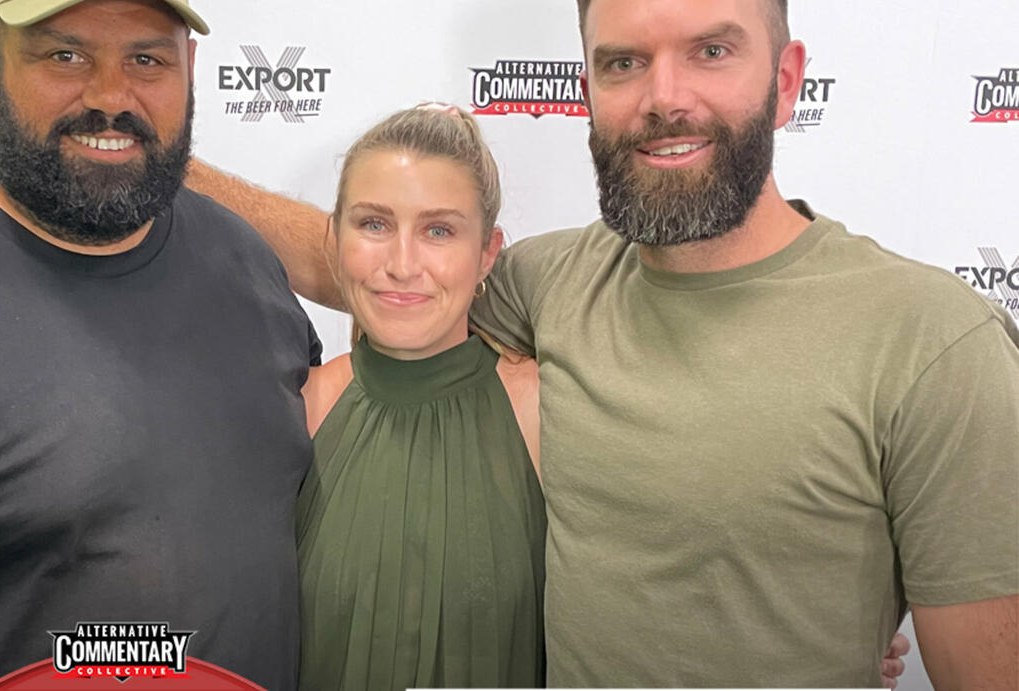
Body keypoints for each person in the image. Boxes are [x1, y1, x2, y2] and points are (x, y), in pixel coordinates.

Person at [185, 0, 1019, 688]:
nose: (664, 97)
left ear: (787, 78)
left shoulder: (932, 342)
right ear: (587, 88)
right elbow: (396, 283)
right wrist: (154, 153)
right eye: (624, 62)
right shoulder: (551, 282)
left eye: (712, 51)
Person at [0, 1, 319, 689]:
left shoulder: (247, 263)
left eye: (146, 59)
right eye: (66, 55)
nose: (110, 97)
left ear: (190, 69)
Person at [296, 105, 546, 690]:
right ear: (335, 239)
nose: (402, 265)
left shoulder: (542, 409)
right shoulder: (300, 406)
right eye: (374, 224)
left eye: (439, 231)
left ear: (487, 253)